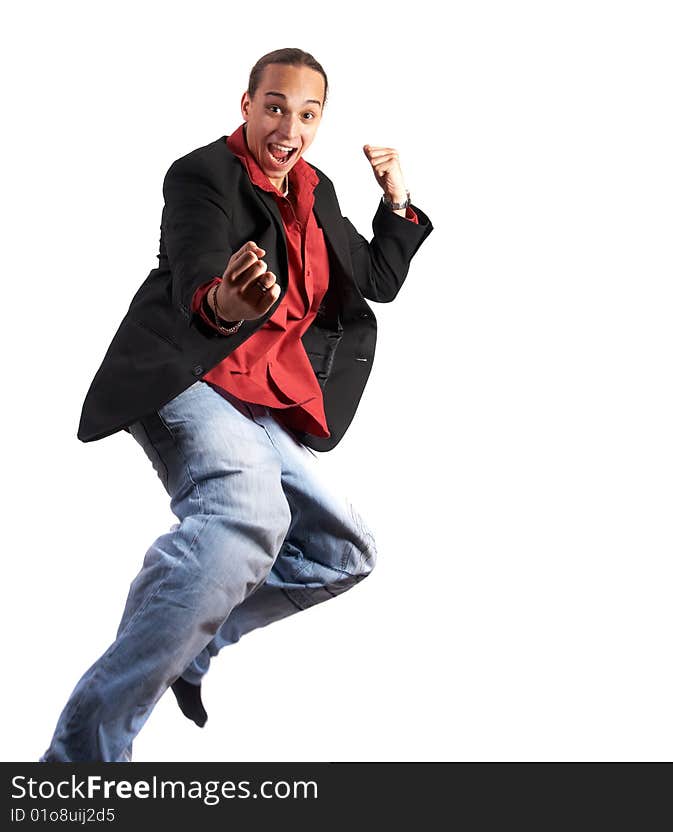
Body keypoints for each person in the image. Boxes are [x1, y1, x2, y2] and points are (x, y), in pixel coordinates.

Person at [40, 47, 434, 762]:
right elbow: (197, 267)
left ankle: (190, 640)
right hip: (192, 377)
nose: (289, 126)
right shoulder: (204, 176)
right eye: (276, 106)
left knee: (345, 550)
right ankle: (79, 765)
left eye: (307, 114)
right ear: (247, 104)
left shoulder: (315, 191)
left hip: (264, 401)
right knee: (247, 515)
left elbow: (375, 277)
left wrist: (397, 203)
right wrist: (224, 303)